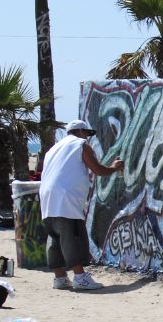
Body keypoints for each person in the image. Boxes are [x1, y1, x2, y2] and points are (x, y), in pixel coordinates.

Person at [39, 117, 124, 291]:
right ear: (79, 132)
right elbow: (98, 170)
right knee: (72, 236)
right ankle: (80, 277)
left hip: (47, 197)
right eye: (86, 133)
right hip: (66, 197)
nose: (88, 137)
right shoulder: (80, 145)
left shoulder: (53, 149)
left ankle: (60, 278)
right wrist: (115, 167)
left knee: (55, 237)